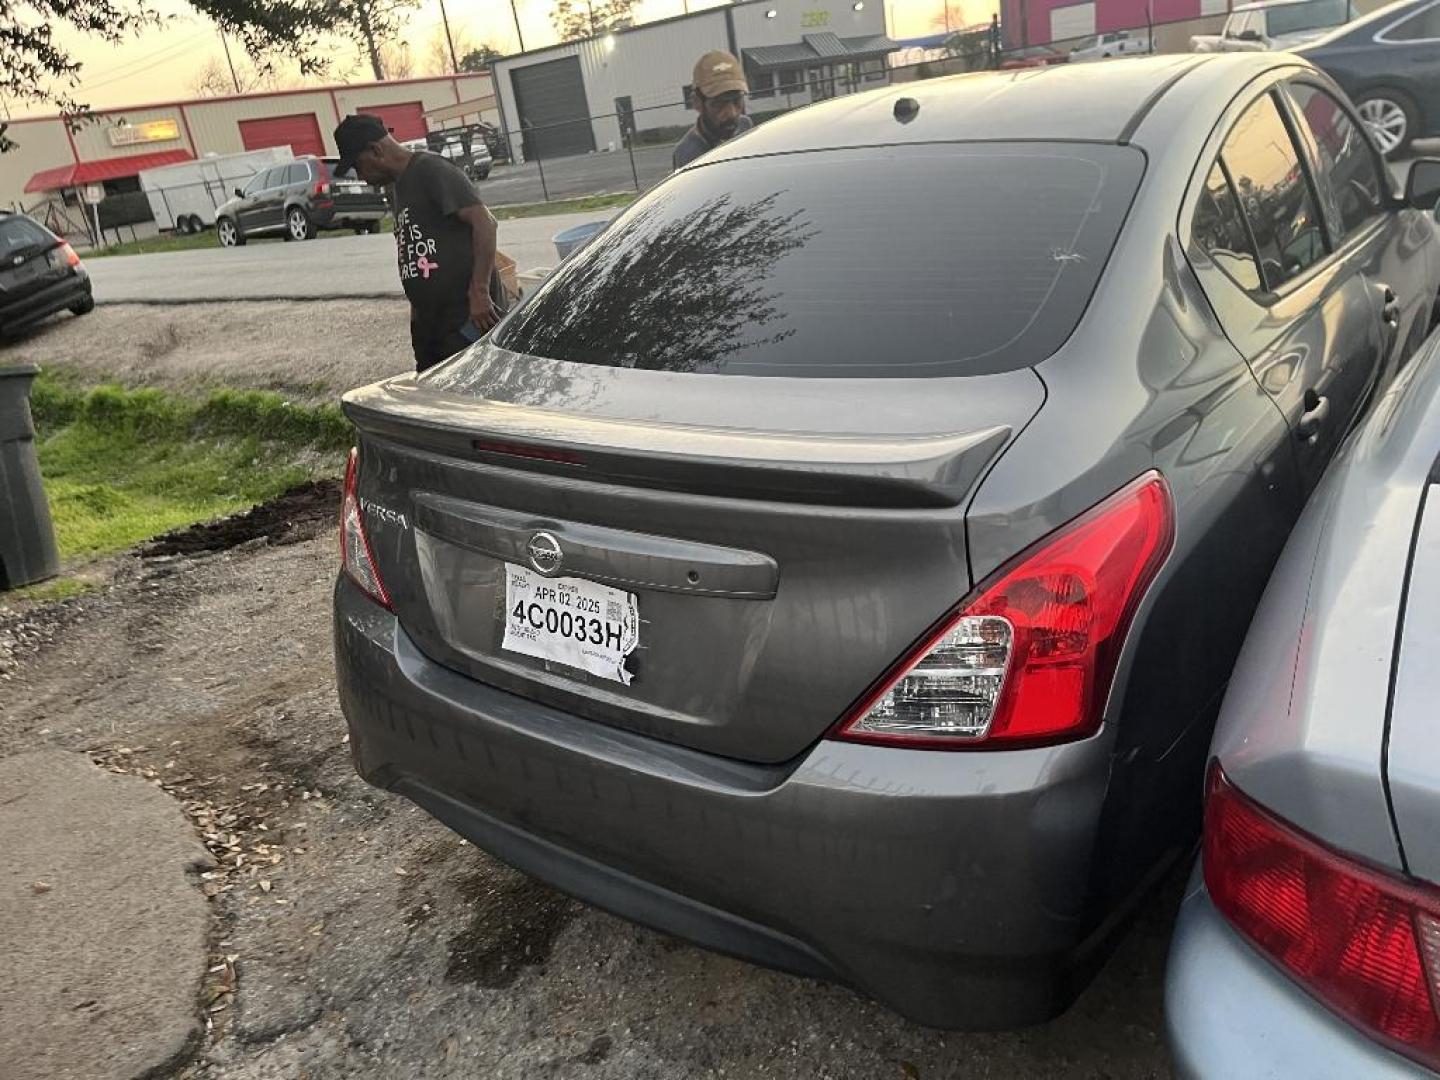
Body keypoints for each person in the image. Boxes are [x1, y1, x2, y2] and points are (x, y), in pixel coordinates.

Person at [332, 113, 505, 372]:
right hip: (431, 325)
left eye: (358, 165)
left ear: (375, 149)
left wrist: (479, 292)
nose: (362, 176)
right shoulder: (395, 188)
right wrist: (417, 317)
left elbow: (485, 223)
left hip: (465, 319)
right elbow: (412, 249)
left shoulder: (432, 170)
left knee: (471, 400)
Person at [672, 51, 754, 170]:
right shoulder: (687, 154)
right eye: (719, 104)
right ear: (697, 102)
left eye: (737, 100)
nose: (732, 113)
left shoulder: (746, 126)